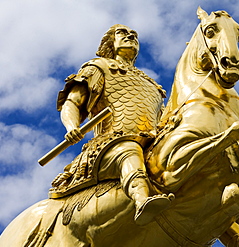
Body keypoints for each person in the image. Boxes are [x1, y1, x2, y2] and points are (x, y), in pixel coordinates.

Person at [49, 24, 174, 225]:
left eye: (134, 35)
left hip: (150, 141)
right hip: (110, 143)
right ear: (111, 42)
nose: (130, 36)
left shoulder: (153, 86)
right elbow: (72, 102)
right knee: (129, 150)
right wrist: (72, 126)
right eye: (123, 33)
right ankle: (142, 199)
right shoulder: (98, 67)